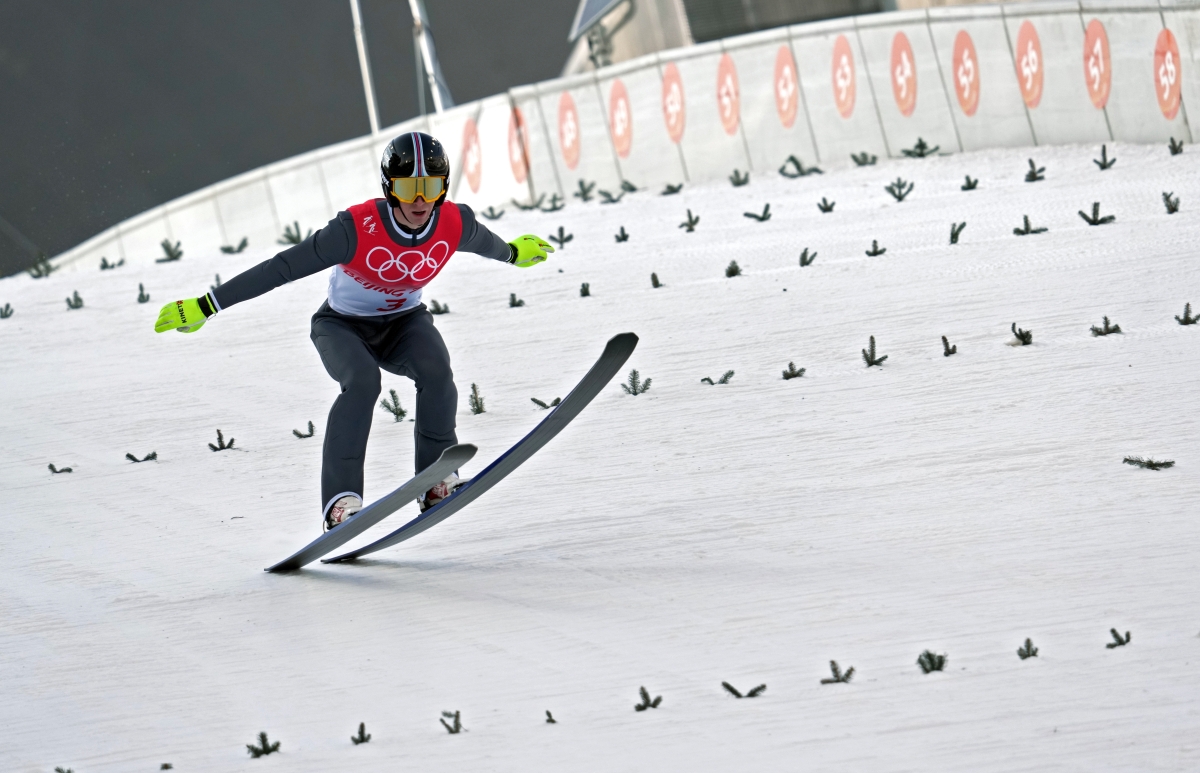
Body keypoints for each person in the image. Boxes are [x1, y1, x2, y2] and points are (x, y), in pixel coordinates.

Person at [154, 131, 554, 531]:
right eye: (408, 187)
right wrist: (208, 304)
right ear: (389, 187)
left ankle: (435, 482)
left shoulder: (453, 222)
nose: (420, 200)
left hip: (404, 324)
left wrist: (515, 254)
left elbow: (487, 243)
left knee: (437, 373)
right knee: (363, 383)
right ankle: (340, 502)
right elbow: (280, 268)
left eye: (430, 187)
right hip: (341, 327)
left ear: (443, 187)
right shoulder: (355, 228)